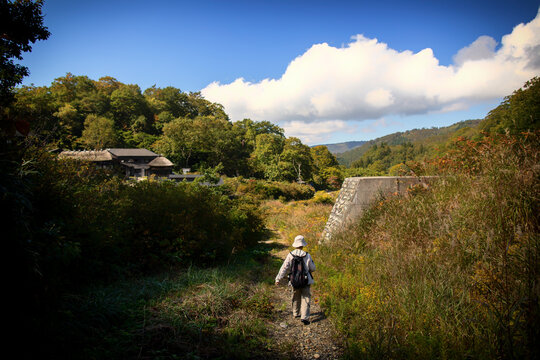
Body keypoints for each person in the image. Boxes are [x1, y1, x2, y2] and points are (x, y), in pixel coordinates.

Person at [275, 235, 316, 325]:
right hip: (305, 281)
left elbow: (284, 268)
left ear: (295, 244)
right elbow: (313, 268)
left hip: (294, 281)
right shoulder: (307, 255)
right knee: (306, 297)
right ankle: (304, 317)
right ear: (303, 245)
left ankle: (295, 313)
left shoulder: (290, 255)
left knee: (295, 296)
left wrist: (278, 278)